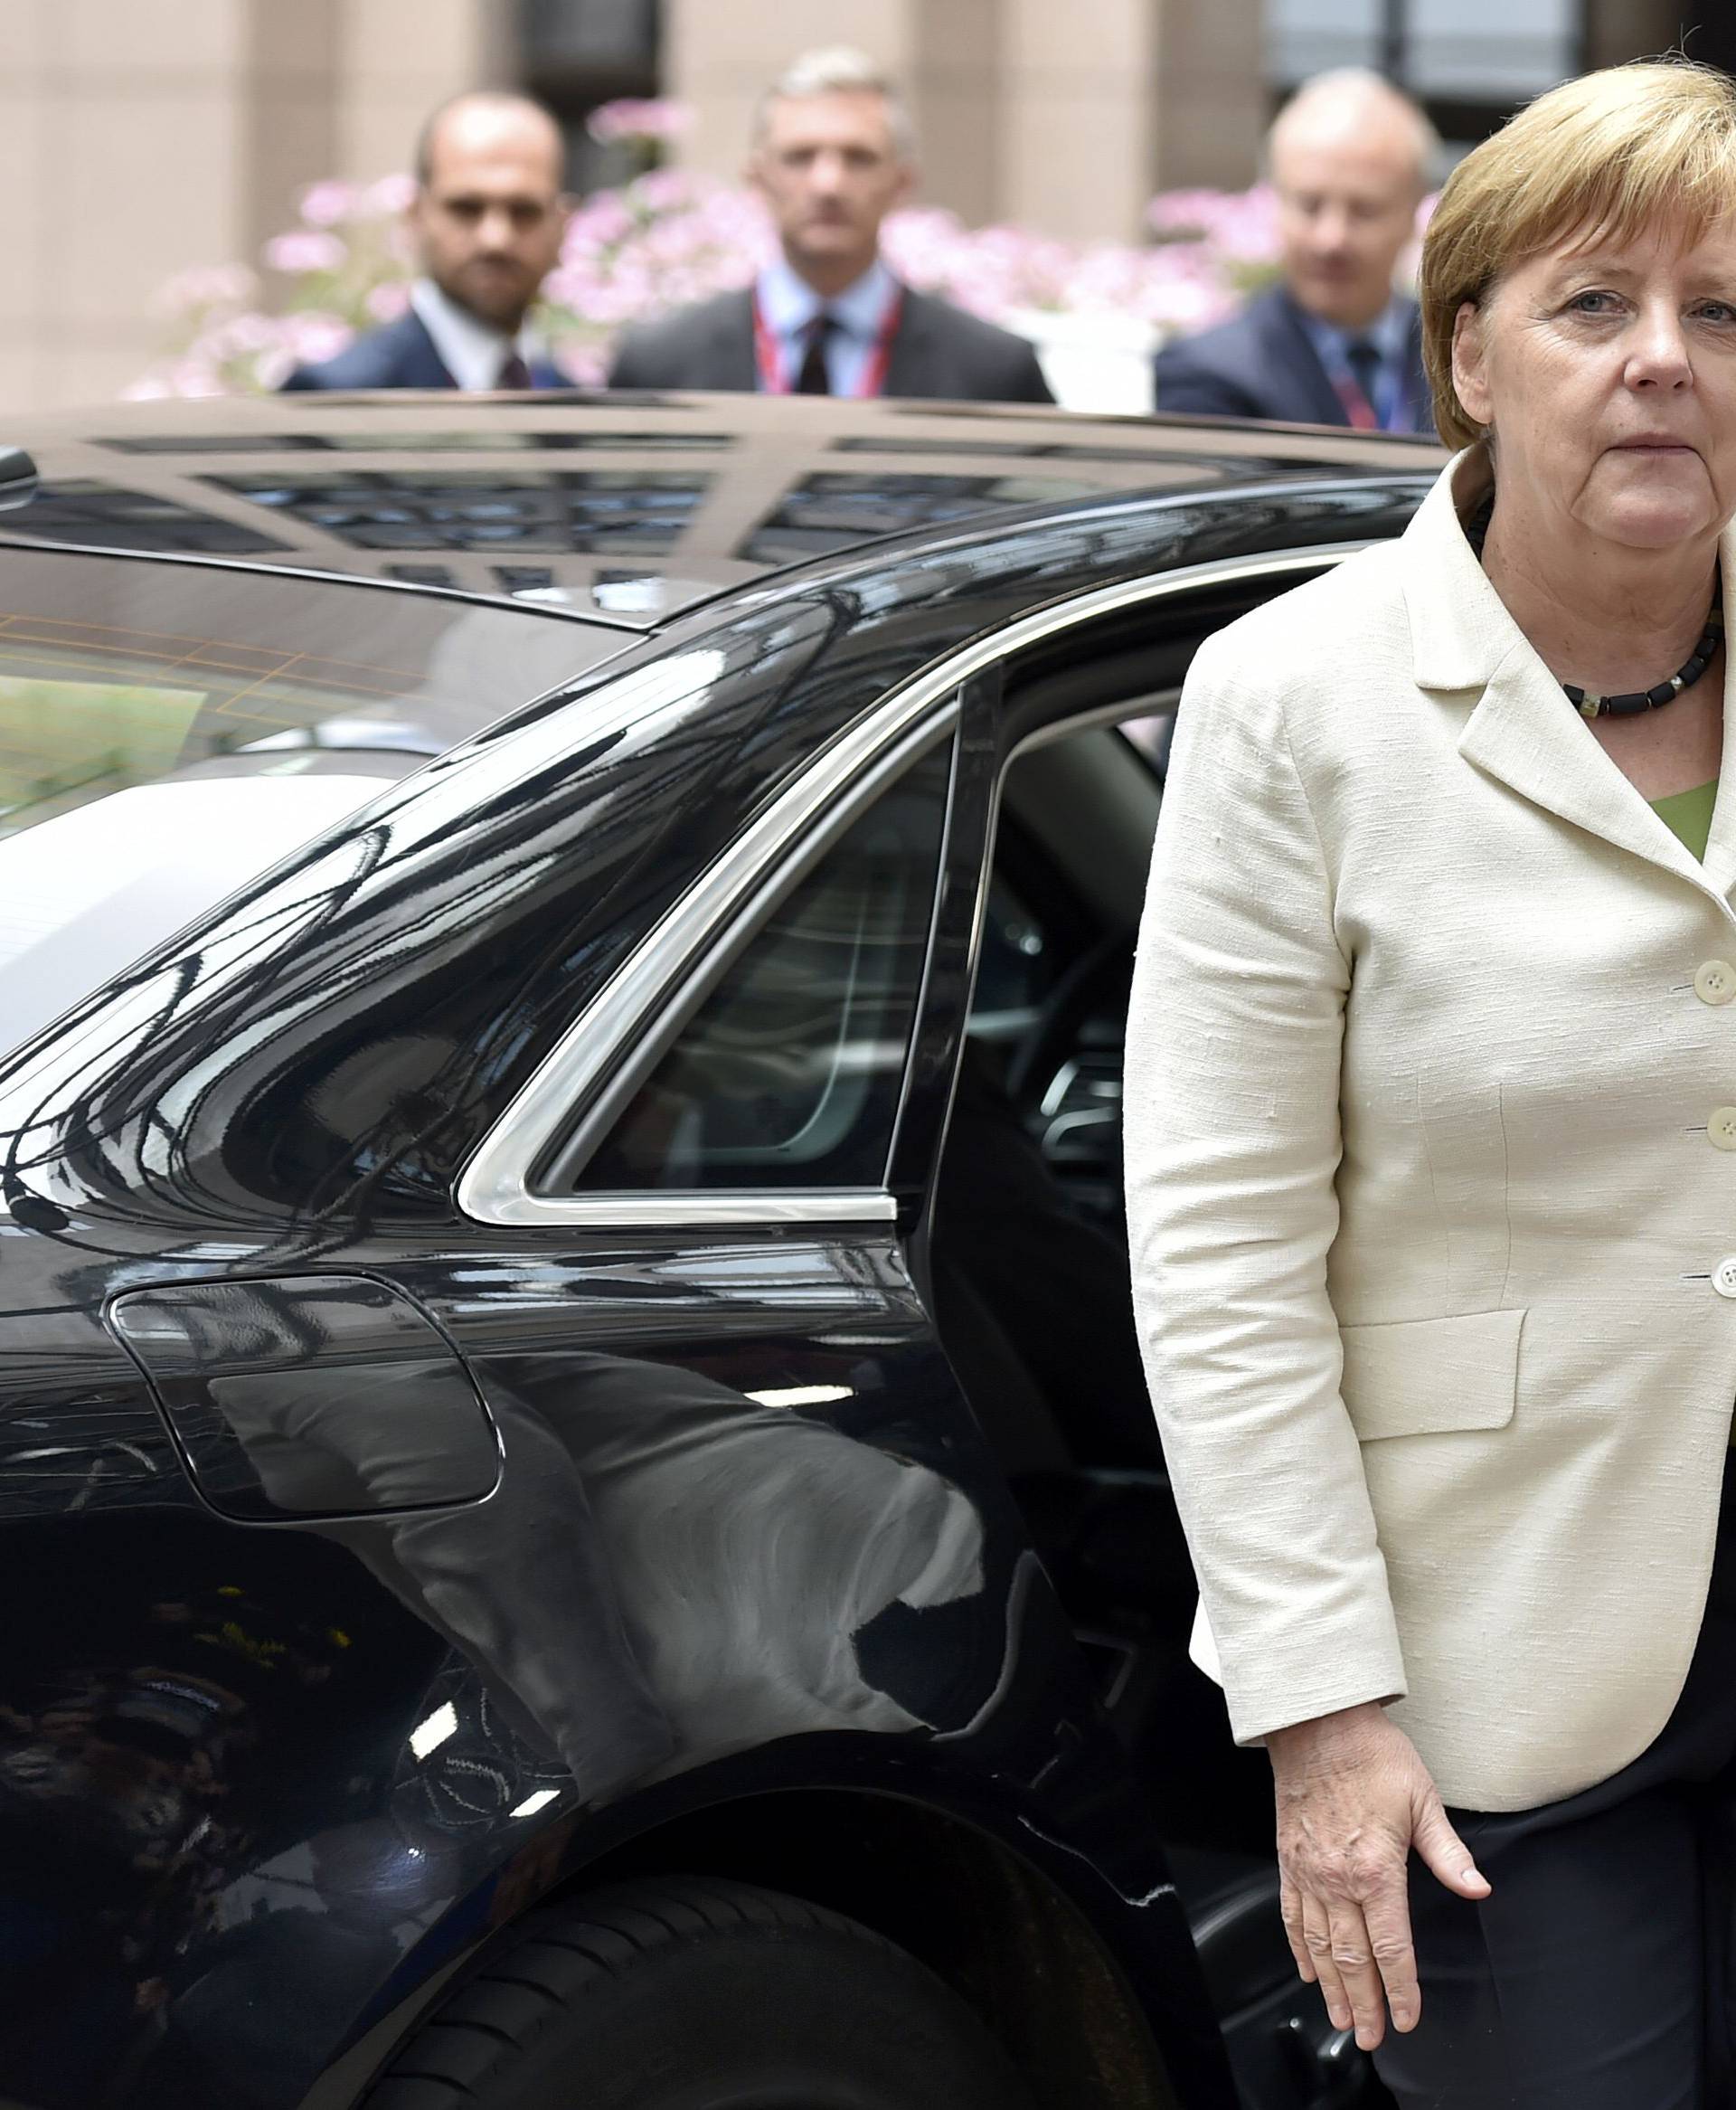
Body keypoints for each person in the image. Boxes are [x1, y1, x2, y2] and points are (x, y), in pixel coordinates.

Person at [1127, 57, 1736, 2106]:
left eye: (1722, 312)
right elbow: (1216, 1250)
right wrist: (1319, 1715)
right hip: (1504, 1695)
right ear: (1468, 350)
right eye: (1596, 306)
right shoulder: (1291, 702)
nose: (1665, 362)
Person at [605, 48, 1053, 405]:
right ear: (758, 182)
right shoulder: (658, 363)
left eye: (859, 157)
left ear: (902, 183)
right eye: (800, 157)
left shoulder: (995, 370)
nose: (828, 184)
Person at [1154, 70, 1433, 431]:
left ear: (1414, 212)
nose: (1331, 239)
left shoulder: (1467, 362)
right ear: (1274, 203)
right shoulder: (1208, 371)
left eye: (1365, 210)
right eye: (1309, 205)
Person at [282, 91, 571, 393]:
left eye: (524, 211)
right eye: (466, 208)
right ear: (415, 216)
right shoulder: (338, 398)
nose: (495, 238)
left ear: (562, 226)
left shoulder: (574, 403)